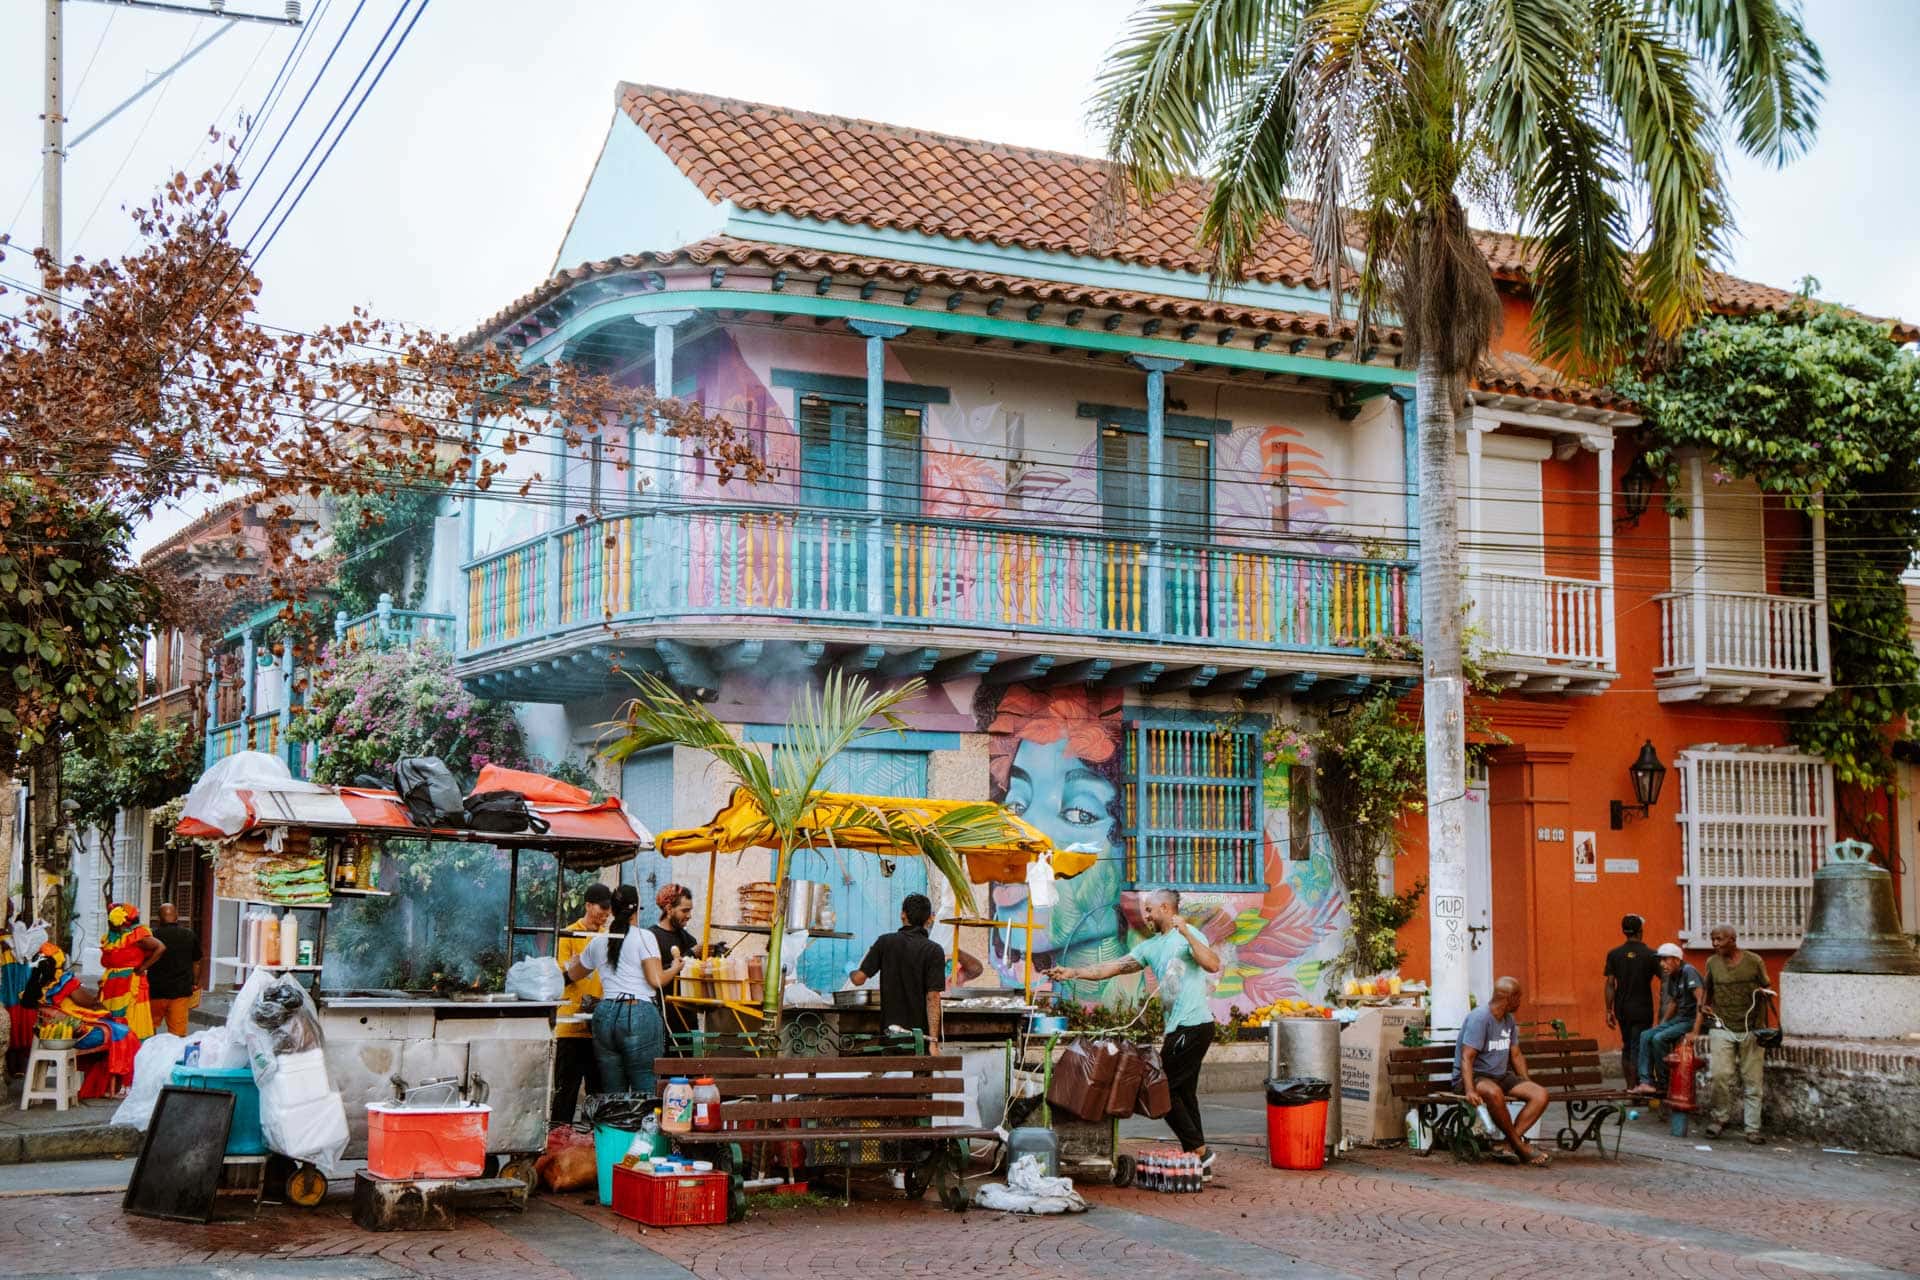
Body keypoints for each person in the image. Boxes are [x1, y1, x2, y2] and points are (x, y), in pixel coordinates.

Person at [1048, 888, 1223, 1176]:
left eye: (1150, 910)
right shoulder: (1150, 947)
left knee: (1161, 1089)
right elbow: (1114, 968)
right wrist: (1073, 972)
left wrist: (1187, 933)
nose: (1147, 916)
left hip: (1195, 1025)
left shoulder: (1188, 934)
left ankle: (1201, 1152)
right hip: (1177, 1028)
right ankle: (1200, 1161)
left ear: (1165, 908)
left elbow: (1212, 964)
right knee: (1184, 1094)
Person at [563, 883, 682, 1097]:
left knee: (612, 1092)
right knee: (645, 1088)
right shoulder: (645, 937)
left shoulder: (598, 941)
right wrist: (675, 967)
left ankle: (614, 1119)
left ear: (612, 910)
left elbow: (572, 975)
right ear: (637, 909)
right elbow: (656, 979)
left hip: (605, 1015)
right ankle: (642, 1120)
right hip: (638, 1012)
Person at [1455, 976, 1552, 1167]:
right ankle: (1519, 1146)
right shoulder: (1480, 1018)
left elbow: (1515, 1054)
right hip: (1475, 1077)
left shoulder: (1508, 1019)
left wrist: (1526, 1081)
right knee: (1493, 1092)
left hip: (1500, 1076)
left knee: (1540, 1094)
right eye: (1519, 997)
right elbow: (1467, 1057)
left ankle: (1506, 1144)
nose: (1520, 1002)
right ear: (1510, 998)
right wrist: (1469, 1090)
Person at [1701, 925, 1773, 1143]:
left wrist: (1762, 998)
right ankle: (1719, 1118)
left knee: (1753, 1080)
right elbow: (1708, 988)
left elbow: (1766, 986)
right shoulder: (1712, 963)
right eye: (1712, 939)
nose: (1715, 944)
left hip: (1751, 1027)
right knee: (1720, 1075)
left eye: (1719, 939)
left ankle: (1752, 1129)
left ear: (1732, 940)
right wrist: (1704, 1005)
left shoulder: (1754, 961)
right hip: (1722, 1025)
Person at [849, 893, 946, 1050]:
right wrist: (933, 1042)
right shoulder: (934, 950)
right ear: (929, 919)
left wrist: (851, 972)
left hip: (890, 1037)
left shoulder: (885, 942)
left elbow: (858, 979)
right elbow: (933, 997)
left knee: (892, 1066)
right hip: (920, 1041)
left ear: (903, 915)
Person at [551, 881, 612, 1124]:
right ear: (588, 905)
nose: (606, 913)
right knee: (566, 1090)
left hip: (598, 1025)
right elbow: (561, 977)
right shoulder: (568, 935)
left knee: (598, 1091)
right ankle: (558, 1137)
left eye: (609, 909)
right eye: (602, 907)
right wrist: (578, 967)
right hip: (570, 1025)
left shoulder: (608, 937)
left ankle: (595, 1141)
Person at [651, 883, 724, 1045]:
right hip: (662, 1019)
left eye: (690, 910)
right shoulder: (651, 937)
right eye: (684, 910)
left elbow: (697, 975)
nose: (689, 915)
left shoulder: (688, 939)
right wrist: (690, 954)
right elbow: (655, 975)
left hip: (688, 1020)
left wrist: (715, 957)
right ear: (669, 909)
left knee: (691, 1058)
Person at [1630, 943, 1703, 1096]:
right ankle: (1646, 1082)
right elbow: (1674, 1002)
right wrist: (1663, 1023)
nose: (1662, 964)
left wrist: (1695, 1031)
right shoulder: (1672, 975)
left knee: (1659, 1038)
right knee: (1645, 1035)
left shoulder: (1689, 971)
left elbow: (1701, 1001)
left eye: (1665, 960)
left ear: (1677, 960)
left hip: (1691, 1019)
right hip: (1680, 1019)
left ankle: (1665, 1083)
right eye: (1660, 960)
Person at [1601, 914, 1661, 1088]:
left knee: (1627, 1046)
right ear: (1641, 931)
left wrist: (1608, 1010)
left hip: (1622, 1008)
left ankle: (1630, 1087)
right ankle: (1637, 1088)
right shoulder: (1652, 954)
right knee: (1639, 1046)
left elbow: (1610, 984)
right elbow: (1665, 980)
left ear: (1624, 931)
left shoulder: (1613, 954)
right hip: (1643, 1007)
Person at [97, 903, 163, 1042]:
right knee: (112, 1018)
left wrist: (144, 967)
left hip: (131, 983)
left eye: (112, 921)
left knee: (131, 1017)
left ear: (122, 922)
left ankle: (131, 1046)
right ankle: (116, 1046)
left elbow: (160, 947)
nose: (110, 924)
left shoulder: (136, 935)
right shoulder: (112, 937)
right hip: (112, 985)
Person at [146, 904, 201, 1038]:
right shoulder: (189, 935)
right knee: (178, 1034)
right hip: (180, 991)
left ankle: (150, 1050)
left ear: (158, 919)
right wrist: (194, 983)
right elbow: (197, 963)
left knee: (149, 1029)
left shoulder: (151, 936)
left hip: (155, 991)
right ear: (177, 917)